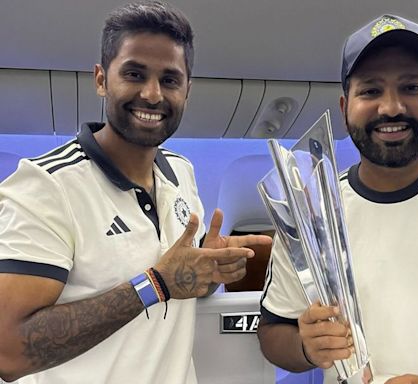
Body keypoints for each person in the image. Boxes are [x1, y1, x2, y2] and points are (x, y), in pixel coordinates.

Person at [0, 2, 271, 383]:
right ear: (100, 79)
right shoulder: (45, 186)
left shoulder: (181, 173)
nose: (152, 94)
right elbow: (8, 350)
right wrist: (156, 283)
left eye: (170, 80)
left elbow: (180, 290)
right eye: (134, 73)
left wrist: (205, 274)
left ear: (187, 91)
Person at [258, 14, 418, 384]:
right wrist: (306, 348)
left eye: (411, 87)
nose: (391, 107)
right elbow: (273, 331)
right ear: (345, 107)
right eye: (371, 91)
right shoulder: (312, 214)